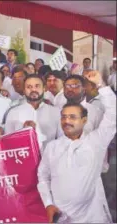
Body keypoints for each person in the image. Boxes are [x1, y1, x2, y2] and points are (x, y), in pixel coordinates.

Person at [37, 70, 116, 223]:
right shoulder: (52, 147)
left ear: (84, 120)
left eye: (73, 117)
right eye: (64, 117)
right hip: (62, 216)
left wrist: (101, 85)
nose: (67, 121)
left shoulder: (96, 141)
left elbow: (113, 115)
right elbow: (43, 177)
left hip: (93, 216)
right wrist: (48, 203)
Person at [5, 74, 62, 150]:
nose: (33, 90)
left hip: (49, 159)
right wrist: (23, 132)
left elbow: (62, 140)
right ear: (24, 91)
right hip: (23, 159)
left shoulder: (56, 112)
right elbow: (8, 142)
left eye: (37, 86)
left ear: (44, 88)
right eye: (29, 87)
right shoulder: (13, 113)